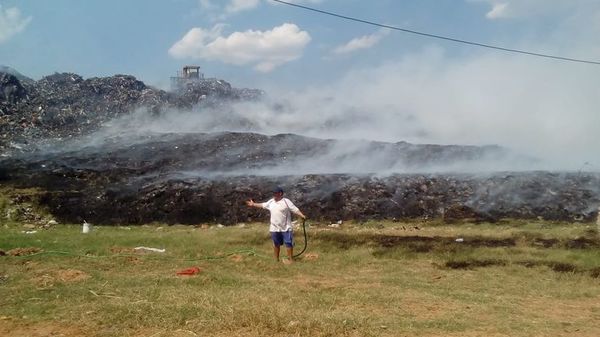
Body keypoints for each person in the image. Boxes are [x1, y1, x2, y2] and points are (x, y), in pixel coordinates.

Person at [246, 186, 306, 264]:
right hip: (274, 228)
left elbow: (295, 209)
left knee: (288, 243)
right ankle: (276, 260)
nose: (274, 195)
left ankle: (291, 260)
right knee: (276, 243)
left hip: (286, 227)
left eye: (275, 193)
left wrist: (302, 215)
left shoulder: (286, 201)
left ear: (280, 193)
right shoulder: (271, 201)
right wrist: (253, 204)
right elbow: (263, 205)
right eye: (273, 193)